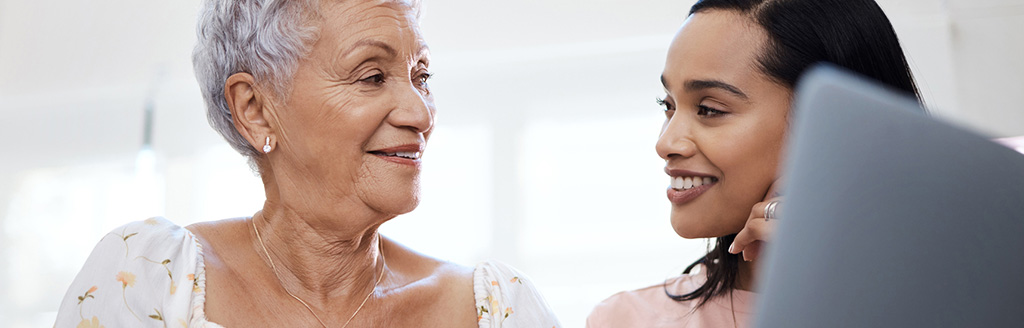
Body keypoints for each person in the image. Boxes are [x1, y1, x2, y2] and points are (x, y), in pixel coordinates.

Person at [54, 0, 560, 327]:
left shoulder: (499, 310)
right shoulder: (151, 279)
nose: (420, 113)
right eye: (371, 76)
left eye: (421, 76)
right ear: (254, 109)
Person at [586, 0, 921, 327]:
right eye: (668, 105)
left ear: (830, 124)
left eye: (709, 109)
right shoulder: (623, 320)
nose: (665, 143)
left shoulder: (931, 310)